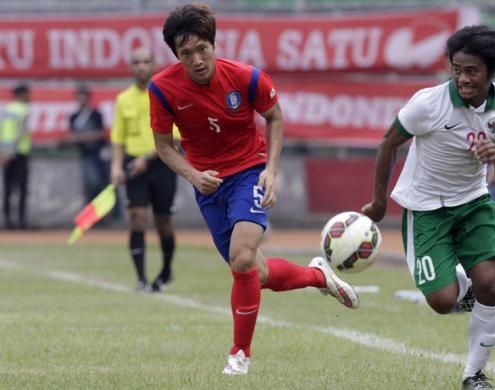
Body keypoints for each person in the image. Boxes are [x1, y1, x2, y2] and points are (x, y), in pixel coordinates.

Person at [149, 4, 358, 375]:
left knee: (243, 258)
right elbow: (164, 145)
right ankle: (317, 276)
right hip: (208, 183)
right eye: (186, 54)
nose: (197, 60)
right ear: (176, 56)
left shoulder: (246, 78)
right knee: (254, 274)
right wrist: (194, 176)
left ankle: (239, 354)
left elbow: (274, 117)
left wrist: (271, 172)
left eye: (202, 49)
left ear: (214, 45)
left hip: (249, 172)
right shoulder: (162, 89)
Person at [361, 25, 495, 390]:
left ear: (492, 72)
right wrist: (379, 200)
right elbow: (388, 143)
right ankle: (464, 289)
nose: (463, 78)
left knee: (492, 286)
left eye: (472, 71)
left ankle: (474, 375)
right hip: (426, 208)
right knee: (441, 300)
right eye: (457, 69)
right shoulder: (428, 104)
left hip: (474, 201)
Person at [111, 47, 179, 292]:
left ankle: (165, 271)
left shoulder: (166, 94)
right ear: (132, 66)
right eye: (136, 62)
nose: (141, 66)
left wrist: (147, 158)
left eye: (145, 62)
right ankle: (141, 278)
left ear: (154, 65)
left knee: (163, 222)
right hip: (133, 165)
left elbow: (175, 136)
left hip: (163, 164)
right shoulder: (123, 99)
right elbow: (118, 137)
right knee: (137, 219)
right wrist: (117, 167)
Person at [67, 84, 111, 206]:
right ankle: (90, 209)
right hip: (85, 154)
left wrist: (81, 137)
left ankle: (107, 212)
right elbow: (71, 136)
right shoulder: (73, 117)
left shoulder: (96, 114)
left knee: (104, 181)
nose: (82, 99)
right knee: (91, 182)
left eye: (84, 96)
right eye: (79, 96)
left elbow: (101, 134)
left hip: (99, 152)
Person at [1, 83, 31, 230]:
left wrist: (3, 152)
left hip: (5, 153)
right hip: (19, 152)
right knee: (21, 188)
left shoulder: (6, 109)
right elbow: (21, 132)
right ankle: (21, 221)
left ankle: (7, 220)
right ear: (23, 94)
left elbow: (2, 131)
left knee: (7, 188)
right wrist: (11, 151)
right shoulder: (24, 109)